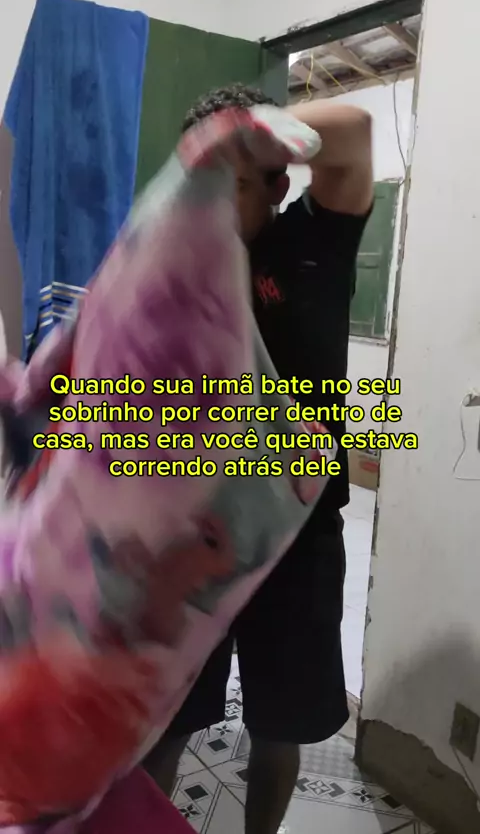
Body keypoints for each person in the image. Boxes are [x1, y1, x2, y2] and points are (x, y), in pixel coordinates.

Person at [144, 84, 373, 834]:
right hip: (198, 536)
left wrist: (232, 134)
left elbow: (354, 128)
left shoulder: (314, 241)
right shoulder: (175, 264)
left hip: (299, 540)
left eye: (231, 179)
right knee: (169, 723)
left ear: (275, 182)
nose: (209, 201)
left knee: (279, 728)